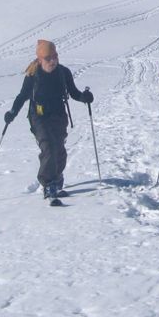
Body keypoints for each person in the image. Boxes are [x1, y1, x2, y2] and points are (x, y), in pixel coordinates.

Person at [5, 39, 93, 202]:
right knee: (48, 147)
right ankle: (48, 184)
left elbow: (73, 93)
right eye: (48, 58)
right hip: (39, 117)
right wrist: (12, 112)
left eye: (55, 56)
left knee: (59, 150)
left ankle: (57, 179)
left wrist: (85, 98)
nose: (52, 61)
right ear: (40, 59)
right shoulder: (33, 74)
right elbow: (22, 96)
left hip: (59, 116)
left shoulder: (63, 72)